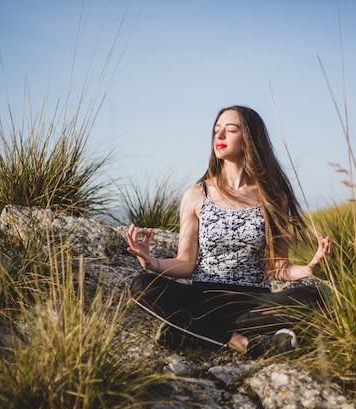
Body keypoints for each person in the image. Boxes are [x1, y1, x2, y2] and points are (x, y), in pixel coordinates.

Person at [126, 105, 332, 357]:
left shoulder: (273, 197)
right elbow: (185, 262)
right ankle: (244, 344)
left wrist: (309, 268)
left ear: (250, 139)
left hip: (251, 303)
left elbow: (277, 267)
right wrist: (152, 262)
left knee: (312, 298)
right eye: (216, 130)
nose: (219, 136)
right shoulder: (195, 194)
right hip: (202, 299)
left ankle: (189, 332)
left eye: (230, 130)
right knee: (142, 285)